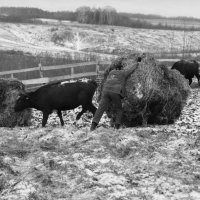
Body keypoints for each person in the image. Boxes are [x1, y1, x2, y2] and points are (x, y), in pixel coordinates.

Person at [90, 62, 139, 131]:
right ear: (121, 68)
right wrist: (137, 63)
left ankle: (93, 126)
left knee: (100, 109)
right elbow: (131, 70)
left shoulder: (111, 72)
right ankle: (117, 127)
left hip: (105, 91)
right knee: (119, 109)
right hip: (115, 92)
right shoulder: (123, 73)